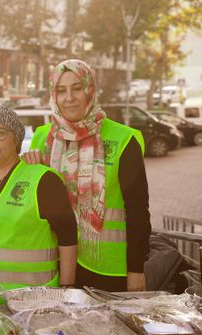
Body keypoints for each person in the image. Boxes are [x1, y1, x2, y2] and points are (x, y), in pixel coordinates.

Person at [24, 59, 150, 293]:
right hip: (56, 262)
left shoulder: (123, 139)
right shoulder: (42, 139)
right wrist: (32, 169)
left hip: (108, 268)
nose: (69, 97)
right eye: (61, 90)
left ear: (90, 90)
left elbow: (138, 211)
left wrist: (136, 270)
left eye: (77, 88)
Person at [0, 105, 78, 305]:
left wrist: (66, 287)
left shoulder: (43, 180)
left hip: (31, 298)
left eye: (0, 133)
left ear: (17, 137)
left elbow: (68, 235)